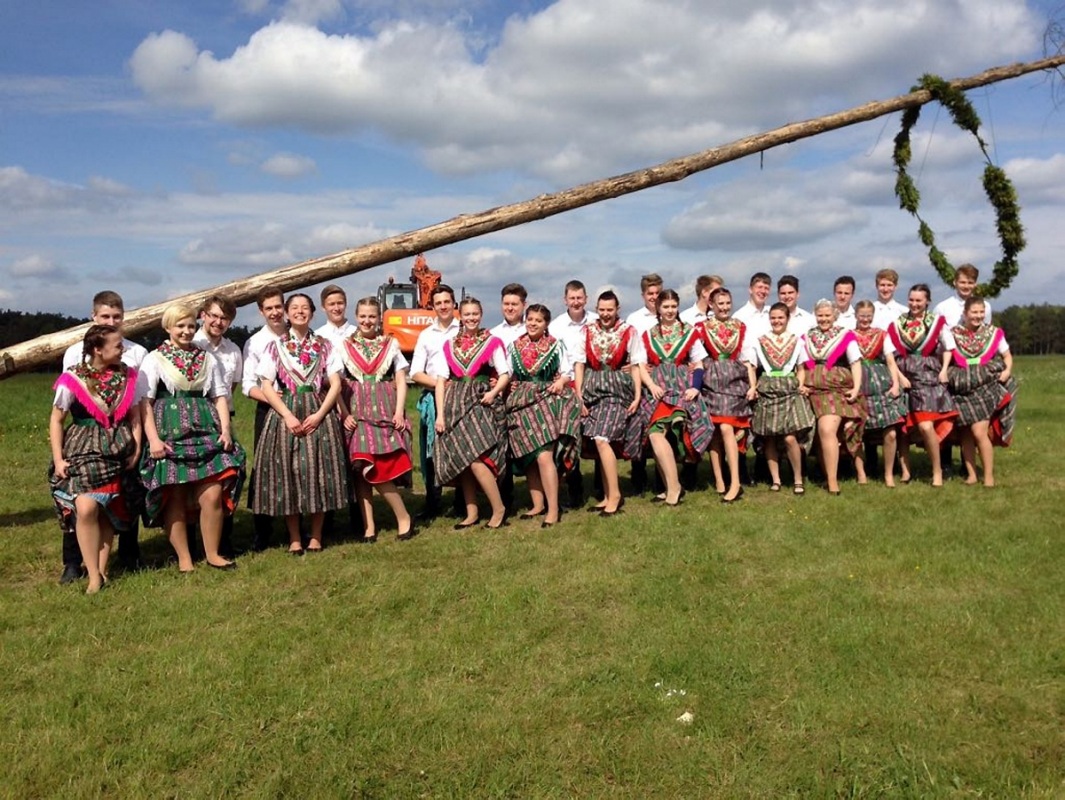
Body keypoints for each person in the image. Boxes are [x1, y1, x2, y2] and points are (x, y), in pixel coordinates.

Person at [140, 304, 246, 572]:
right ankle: (185, 559)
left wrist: (225, 430)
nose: (186, 331)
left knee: (212, 493)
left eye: (189, 326)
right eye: (180, 326)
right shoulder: (155, 358)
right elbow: (145, 403)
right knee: (174, 494)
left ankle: (212, 553)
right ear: (168, 328)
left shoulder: (207, 358)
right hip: (170, 430)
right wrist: (152, 439)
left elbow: (220, 395)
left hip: (205, 427)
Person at [59, 291, 148, 580]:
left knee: (123, 499)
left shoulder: (136, 353)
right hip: (86, 439)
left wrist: (137, 443)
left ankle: (126, 556)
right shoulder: (74, 354)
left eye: (117, 316)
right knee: (82, 503)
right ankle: (74, 562)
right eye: (106, 316)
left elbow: (139, 403)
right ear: (94, 317)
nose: (112, 321)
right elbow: (66, 404)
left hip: (121, 437)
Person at [251, 293, 349, 554]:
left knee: (320, 471)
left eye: (305, 308)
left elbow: (336, 383)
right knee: (288, 473)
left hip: (318, 410)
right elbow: (267, 386)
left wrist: (319, 415)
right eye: (294, 308)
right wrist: (287, 415)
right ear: (287, 312)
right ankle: (294, 537)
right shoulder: (276, 347)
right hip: (288, 413)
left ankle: (316, 535)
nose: (299, 312)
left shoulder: (325, 345)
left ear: (312, 313)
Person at [339, 296, 415, 542]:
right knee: (361, 466)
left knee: (378, 468)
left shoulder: (390, 344)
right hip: (356, 411)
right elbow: (335, 383)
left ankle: (403, 516)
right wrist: (344, 412)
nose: (367, 321)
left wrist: (399, 411)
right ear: (356, 316)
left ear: (379, 318)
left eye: (372, 316)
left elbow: (401, 379)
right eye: (363, 316)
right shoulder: (345, 346)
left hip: (383, 409)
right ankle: (368, 525)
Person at [434, 297, 512, 530]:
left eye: (475, 314)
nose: (471, 318)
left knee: (477, 458)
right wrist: (440, 414)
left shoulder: (492, 341)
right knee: (463, 459)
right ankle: (472, 512)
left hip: (480, 401)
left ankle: (498, 508)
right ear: (460, 315)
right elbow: (440, 380)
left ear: (481, 314)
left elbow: (505, 372)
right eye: (467, 314)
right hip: (454, 402)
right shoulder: (449, 344)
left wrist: (494, 392)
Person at [505, 304, 580, 528]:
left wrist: (560, 382)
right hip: (521, 401)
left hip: (547, 399)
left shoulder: (556, 346)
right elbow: (507, 372)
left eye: (538, 320)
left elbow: (567, 372)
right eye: (530, 319)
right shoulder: (515, 346)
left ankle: (554, 509)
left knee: (544, 455)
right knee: (529, 453)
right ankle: (538, 504)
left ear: (546, 323)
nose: (533, 324)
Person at [637, 290, 713, 506]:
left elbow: (699, 363)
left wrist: (696, 387)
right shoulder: (649, 334)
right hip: (658, 388)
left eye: (673, 306)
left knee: (666, 433)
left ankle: (673, 488)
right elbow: (641, 365)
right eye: (665, 307)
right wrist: (650, 385)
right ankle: (672, 485)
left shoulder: (688, 331)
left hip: (681, 386)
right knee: (654, 435)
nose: (670, 311)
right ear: (658, 309)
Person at [572, 291, 644, 516]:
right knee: (597, 440)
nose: (605, 314)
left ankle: (615, 495)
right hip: (592, 390)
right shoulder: (587, 331)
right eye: (602, 309)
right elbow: (580, 364)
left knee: (602, 439)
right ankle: (606, 494)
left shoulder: (629, 331)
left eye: (609, 310)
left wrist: (638, 395)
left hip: (617, 391)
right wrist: (579, 394)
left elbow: (636, 364)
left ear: (617, 309)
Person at [887, 284, 958, 486]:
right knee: (902, 426)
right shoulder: (898, 323)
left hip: (928, 376)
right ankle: (906, 471)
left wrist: (944, 369)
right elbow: (890, 354)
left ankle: (936, 471)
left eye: (919, 300)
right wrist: (899, 377)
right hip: (903, 375)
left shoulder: (936, 322)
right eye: (911, 299)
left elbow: (948, 346)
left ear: (927, 301)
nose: (914, 304)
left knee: (926, 425)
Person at [947, 297, 1017, 487]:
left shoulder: (993, 333)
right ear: (965, 313)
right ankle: (971, 475)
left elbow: (1007, 355)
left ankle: (988, 476)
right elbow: (945, 355)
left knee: (979, 431)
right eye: (974, 312)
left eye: (981, 312)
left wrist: (1007, 371)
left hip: (985, 385)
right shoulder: (953, 333)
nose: (978, 316)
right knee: (965, 433)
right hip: (962, 386)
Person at [193, 294, 243, 557]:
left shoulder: (233, 351)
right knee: (191, 479)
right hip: (191, 419)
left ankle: (223, 540)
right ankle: (193, 543)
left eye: (224, 318)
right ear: (203, 315)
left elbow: (230, 389)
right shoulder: (189, 342)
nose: (218, 321)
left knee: (227, 478)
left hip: (221, 420)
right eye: (213, 315)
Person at [750, 303, 816, 494]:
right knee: (769, 437)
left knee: (789, 437)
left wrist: (799, 384)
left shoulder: (797, 341)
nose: (777, 321)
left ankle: (797, 478)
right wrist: (753, 387)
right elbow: (752, 367)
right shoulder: (761, 341)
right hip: (768, 389)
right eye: (773, 318)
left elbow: (802, 368)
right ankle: (776, 479)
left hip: (788, 390)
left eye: (780, 318)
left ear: (787, 319)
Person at [698, 287, 757, 503]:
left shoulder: (740, 327)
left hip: (733, 380)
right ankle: (719, 480)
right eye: (719, 303)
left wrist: (752, 385)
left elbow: (748, 357)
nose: (724, 307)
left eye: (727, 303)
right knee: (714, 431)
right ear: (711, 305)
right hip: (711, 380)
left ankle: (735, 482)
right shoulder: (701, 327)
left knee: (726, 427)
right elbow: (696, 354)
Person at [801, 299, 865, 495]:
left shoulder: (845, 336)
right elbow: (802, 364)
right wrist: (801, 383)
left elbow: (855, 362)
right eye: (820, 315)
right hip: (813, 389)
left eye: (827, 315)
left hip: (836, 390)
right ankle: (828, 474)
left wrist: (856, 388)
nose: (824, 319)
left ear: (834, 316)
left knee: (829, 430)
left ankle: (838, 480)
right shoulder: (808, 336)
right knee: (822, 435)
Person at [242, 286, 289, 550]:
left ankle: (297, 528)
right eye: (268, 308)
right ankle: (263, 530)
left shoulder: (300, 334)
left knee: (298, 466)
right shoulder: (256, 342)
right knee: (265, 470)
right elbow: (248, 386)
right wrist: (274, 398)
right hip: (268, 409)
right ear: (261, 311)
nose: (274, 312)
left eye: (277, 307)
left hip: (300, 408)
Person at [410, 284, 461, 519]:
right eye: (438, 303)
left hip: (461, 397)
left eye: (447, 302)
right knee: (431, 452)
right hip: (433, 397)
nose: (443, 306)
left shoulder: (463, 330)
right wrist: (439, 384)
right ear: (433, 306)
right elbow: (415, 373)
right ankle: (433, 501)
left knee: (460, 449)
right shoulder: (426, 335)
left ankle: (463, 501)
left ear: (454, 304)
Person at [547, 279, 598, 507]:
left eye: (580, 298)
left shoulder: (597, 321)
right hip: (567, 384)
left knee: (597, 434)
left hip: (595, 381)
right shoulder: (556, 326)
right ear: (564, 300)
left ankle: (600, 483)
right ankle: (573, 485)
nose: (576, 302)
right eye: (572, 298)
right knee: (569, 435)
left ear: (586, 299)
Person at [853, 300, 908, 487]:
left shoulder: (882, 335)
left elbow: (891, 361)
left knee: (891, 431)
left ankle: (889, 473)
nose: (865, 319)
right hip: (858, 380)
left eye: (868, 316)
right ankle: (861, 473)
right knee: (856, 430)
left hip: (881, 381)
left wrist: (894, 384)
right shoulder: (849, 336)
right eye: (862, 315)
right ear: (856, 316)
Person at [934, 263, 991, 328]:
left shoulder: (986, 307)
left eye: (970, 283)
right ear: (955, 282)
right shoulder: (942, 308)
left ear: (975, 284)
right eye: (962, 282)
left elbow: (986, 331)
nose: (966, 286)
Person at [732, 272, 773, 341]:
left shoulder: (773, 314)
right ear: (750, 289)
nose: (763, 291)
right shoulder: (739, 317)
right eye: (759, 287)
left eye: (766, 288)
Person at [489, 282, 527, 348]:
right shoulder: (493, 335)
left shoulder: (533, 331)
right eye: (506, 304)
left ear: (524, 305)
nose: (510, 308)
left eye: (514, 304)